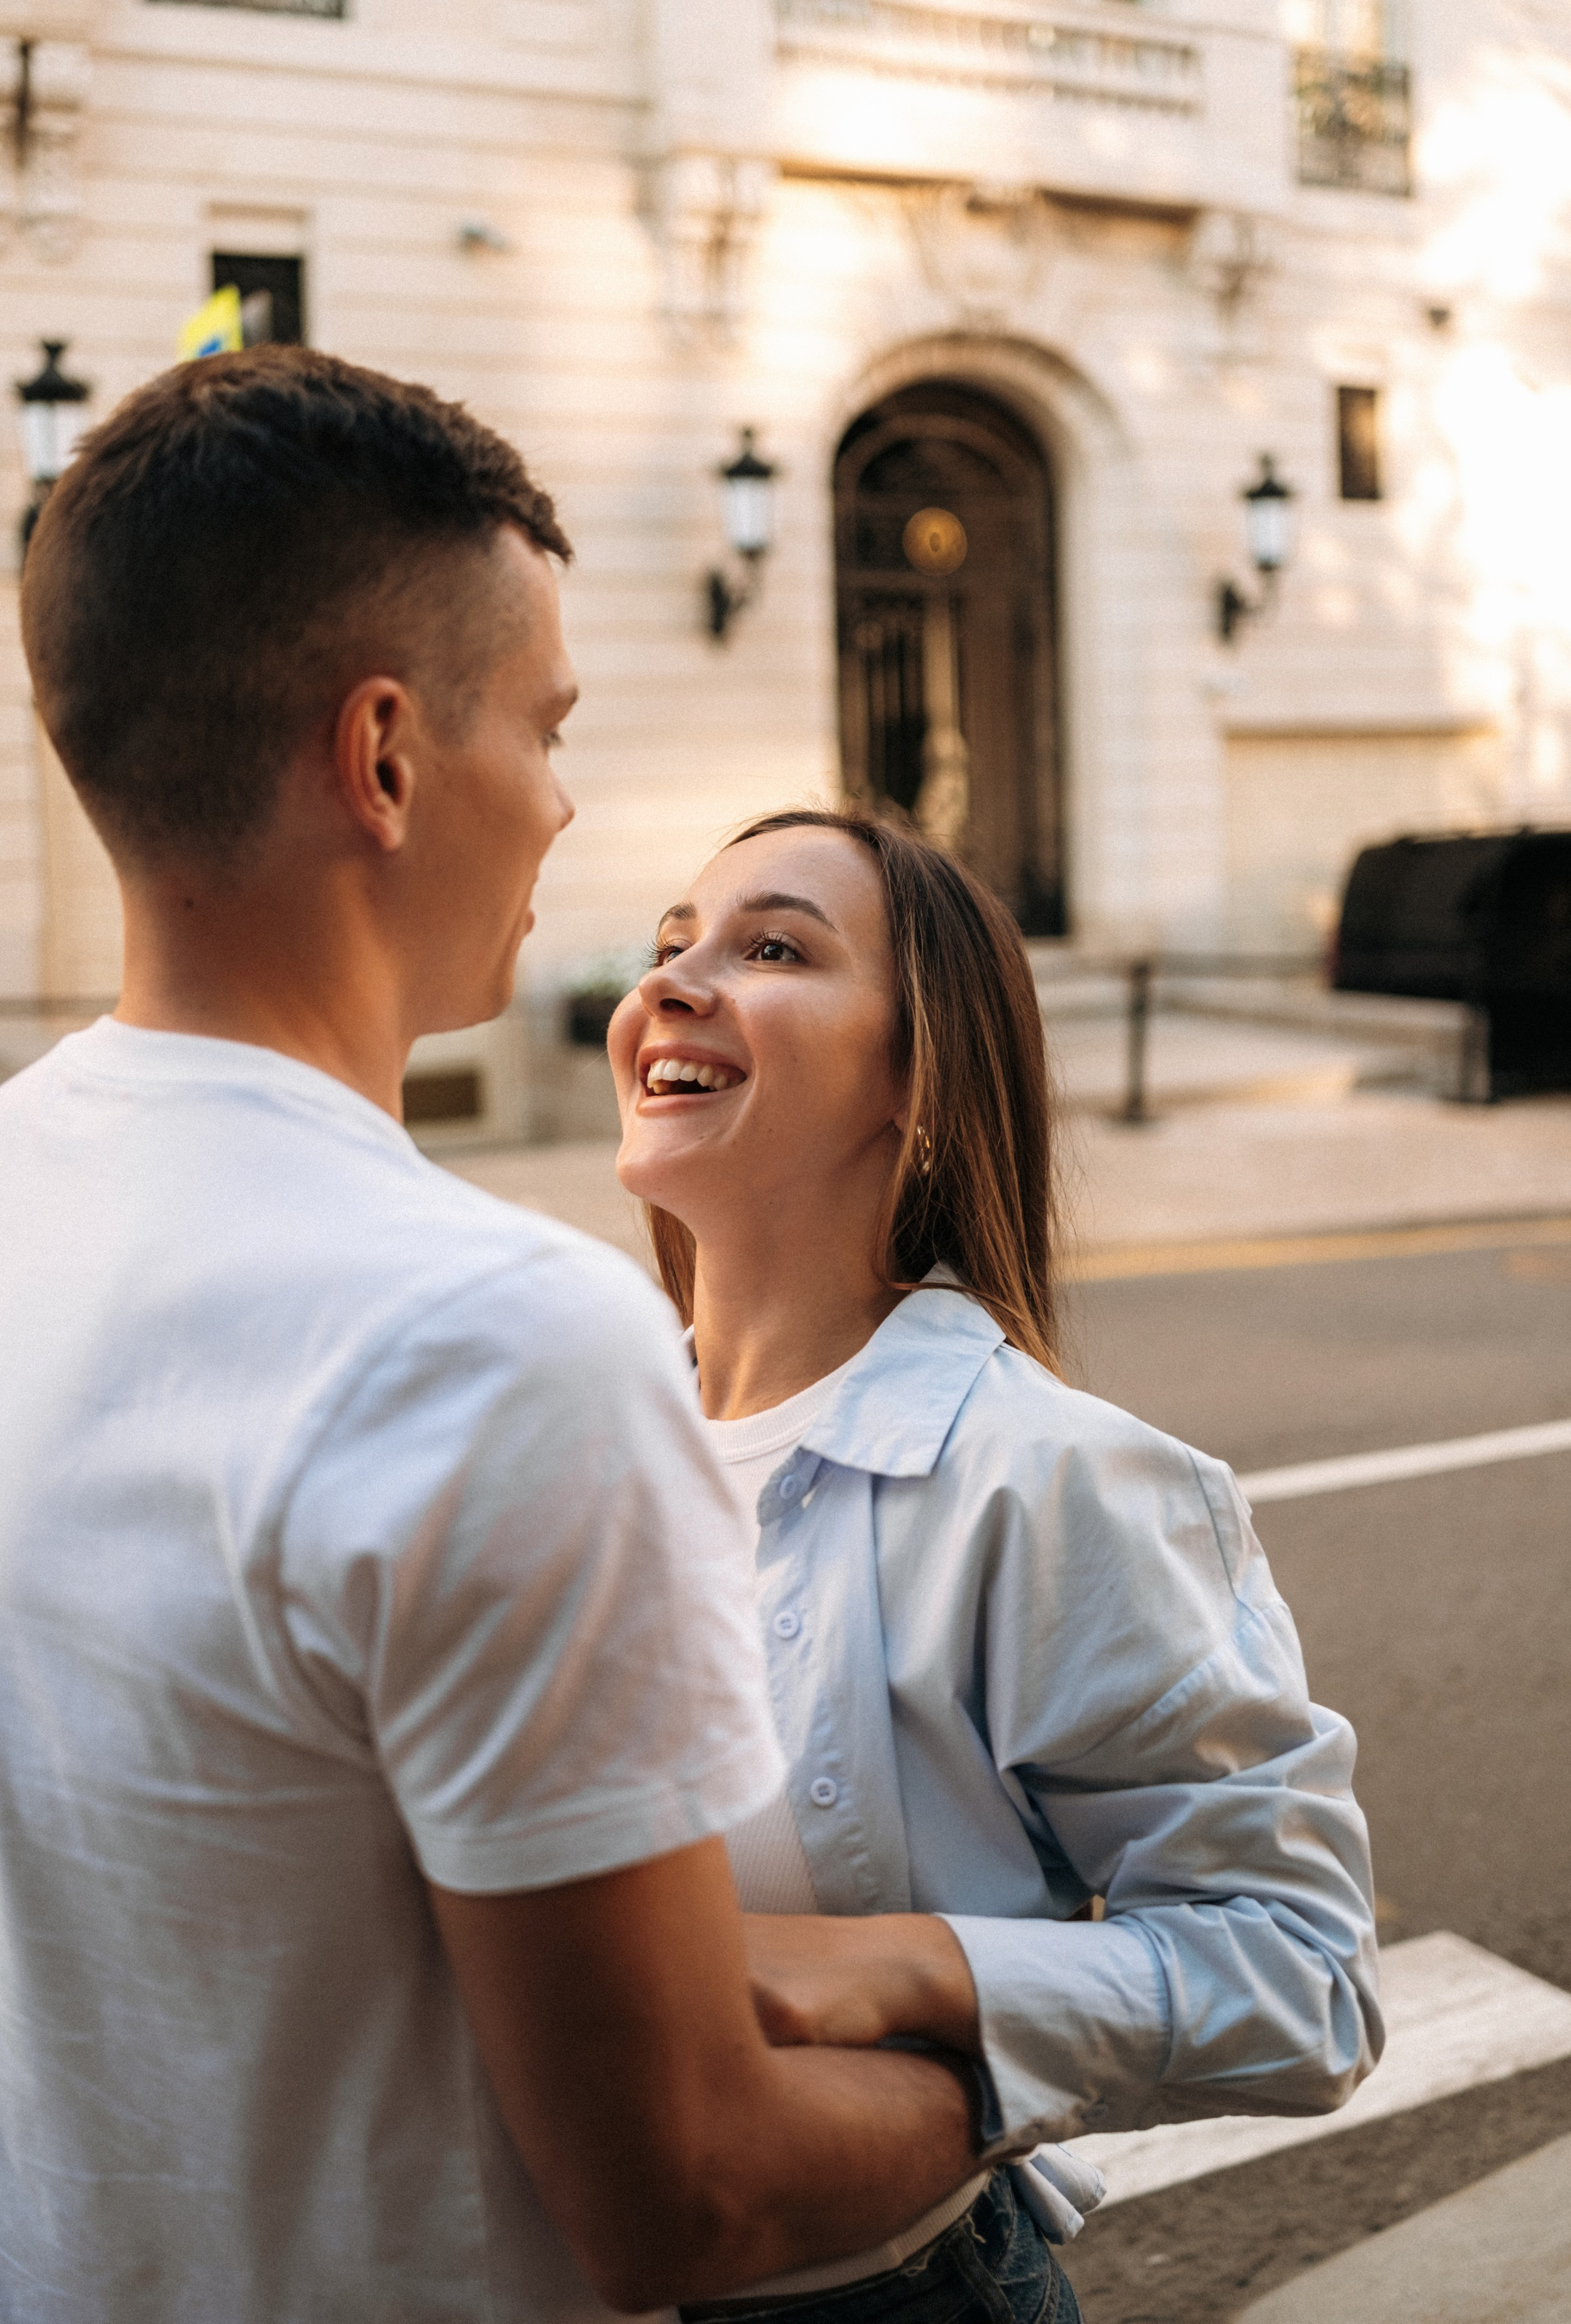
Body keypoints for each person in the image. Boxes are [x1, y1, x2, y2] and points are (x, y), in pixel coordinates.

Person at [0, 353, 990, 2323]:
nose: (562, 802)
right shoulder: (493, 1337)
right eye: (543, 727)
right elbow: (684, 2191)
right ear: (382, 756)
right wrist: (1013, 2068)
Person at [607, 807, 1384, 2323]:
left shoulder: (1045, 1477)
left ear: (916, 1076)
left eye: (769, 948)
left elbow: (1301, 1978)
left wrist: (914, 1969)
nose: (674, 985)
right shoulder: (564, 1428)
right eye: (668, 946)